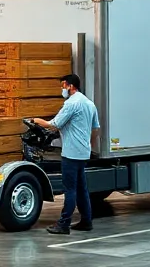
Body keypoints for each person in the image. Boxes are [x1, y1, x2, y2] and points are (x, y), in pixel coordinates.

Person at [34, 73, 100, 234]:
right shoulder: (89, 103)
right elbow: (96, 129)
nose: (62, 88)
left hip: (71, 153)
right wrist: (88, 145)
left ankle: (64, 224)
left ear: (71, 86)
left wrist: (35, 120)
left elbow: (54, 125)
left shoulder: (71, 104)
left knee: (70, 189)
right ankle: (86, 221)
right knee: (81, 189)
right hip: (83, 153)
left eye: (63, 85)